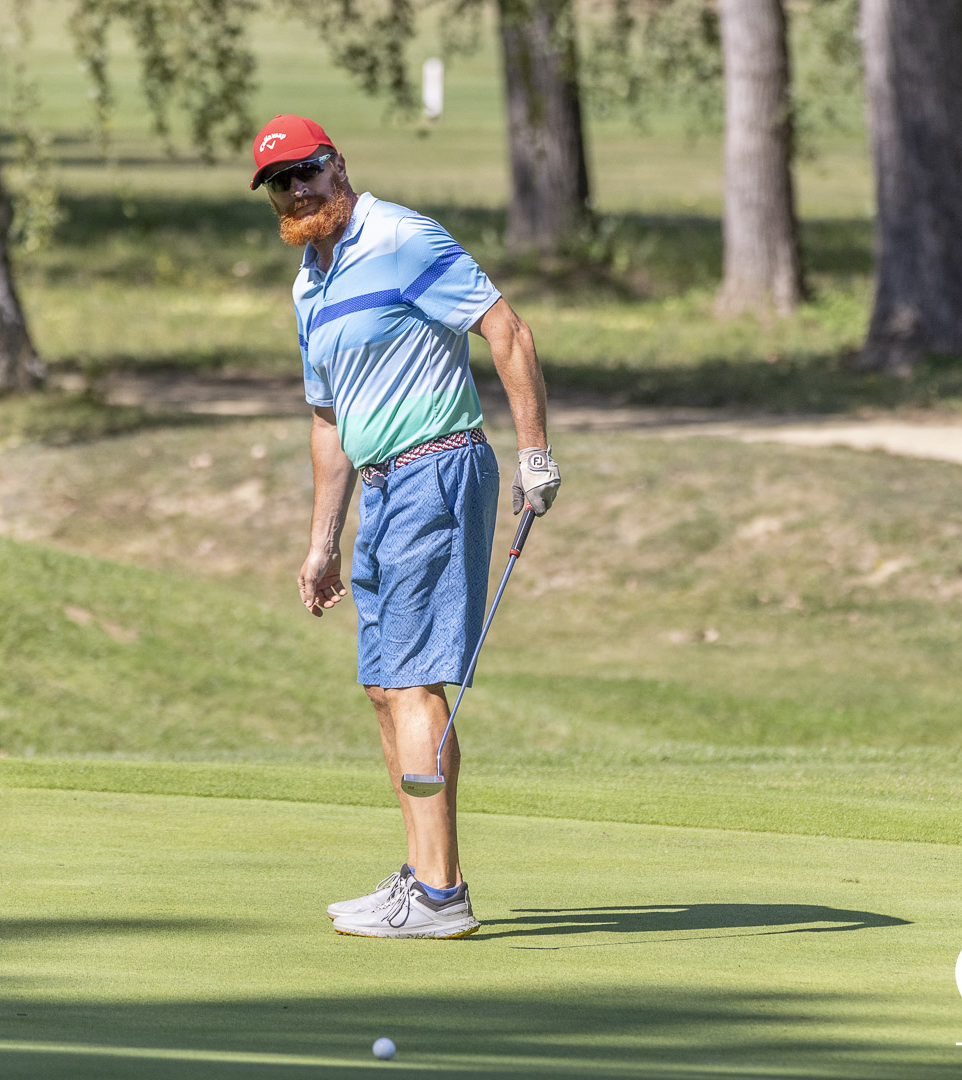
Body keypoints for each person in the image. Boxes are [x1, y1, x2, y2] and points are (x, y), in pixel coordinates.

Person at [250, 115, 561, 938]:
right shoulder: (309, 287)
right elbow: (329, 421)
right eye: (280, 183)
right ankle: (424, 875)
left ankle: (439, 894)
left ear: (337, 164)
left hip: (439, 465)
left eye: (307, 171)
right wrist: (322, 541)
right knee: (385, 687)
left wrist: (535, 453)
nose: (298, 190)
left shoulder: (401, 237)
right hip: (383, 487)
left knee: (415, 680)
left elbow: (507, 329)